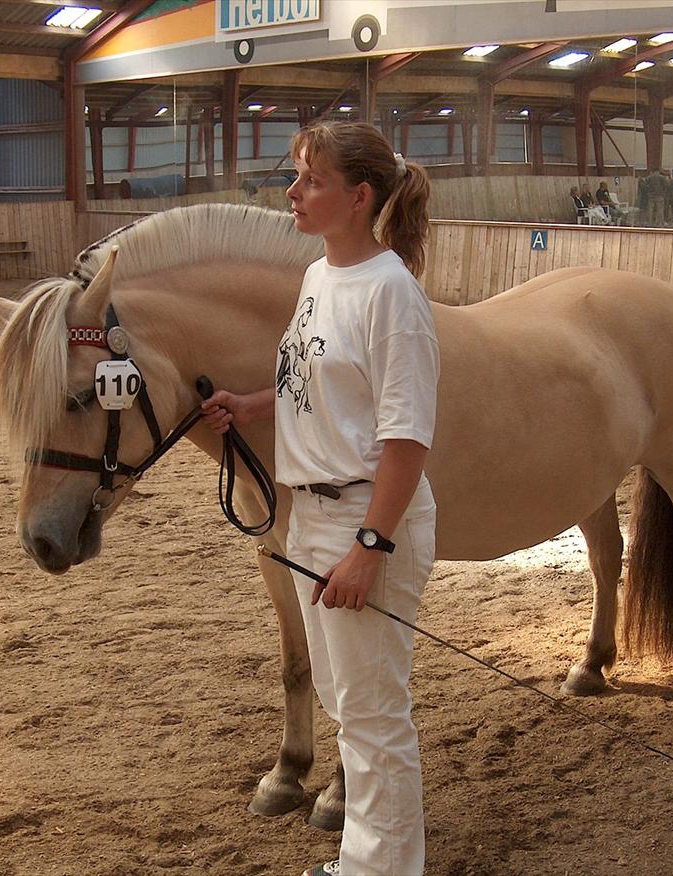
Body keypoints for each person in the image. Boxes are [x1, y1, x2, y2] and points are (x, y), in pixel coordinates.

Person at [200, 121, 439, 876]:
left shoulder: (393, 294)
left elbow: (406, 437)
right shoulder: (318, 277)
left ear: (357, 196)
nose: (292, 192)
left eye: (310, 180)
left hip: (366, 518)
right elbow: (312, 378)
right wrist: (252, 404)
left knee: (373, 719)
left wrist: (371, 547)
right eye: (297, 177)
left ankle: (379, 870)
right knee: (347, 706)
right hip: (311, 516)